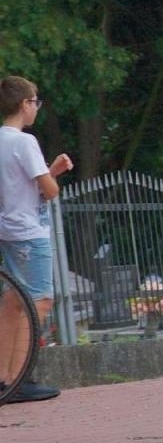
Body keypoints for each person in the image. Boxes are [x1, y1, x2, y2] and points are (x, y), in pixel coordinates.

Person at [1, 76, 73, 403]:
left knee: (13, 302)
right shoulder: (24, 141)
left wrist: (49, 170)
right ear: (24, 104)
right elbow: (50, 192)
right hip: (30, 231)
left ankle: (4, 378)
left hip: (8, 229)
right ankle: (19, 378)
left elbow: (20, 188)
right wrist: (53, 175)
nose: (36, 108)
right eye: (35, 101)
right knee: (40, 301)